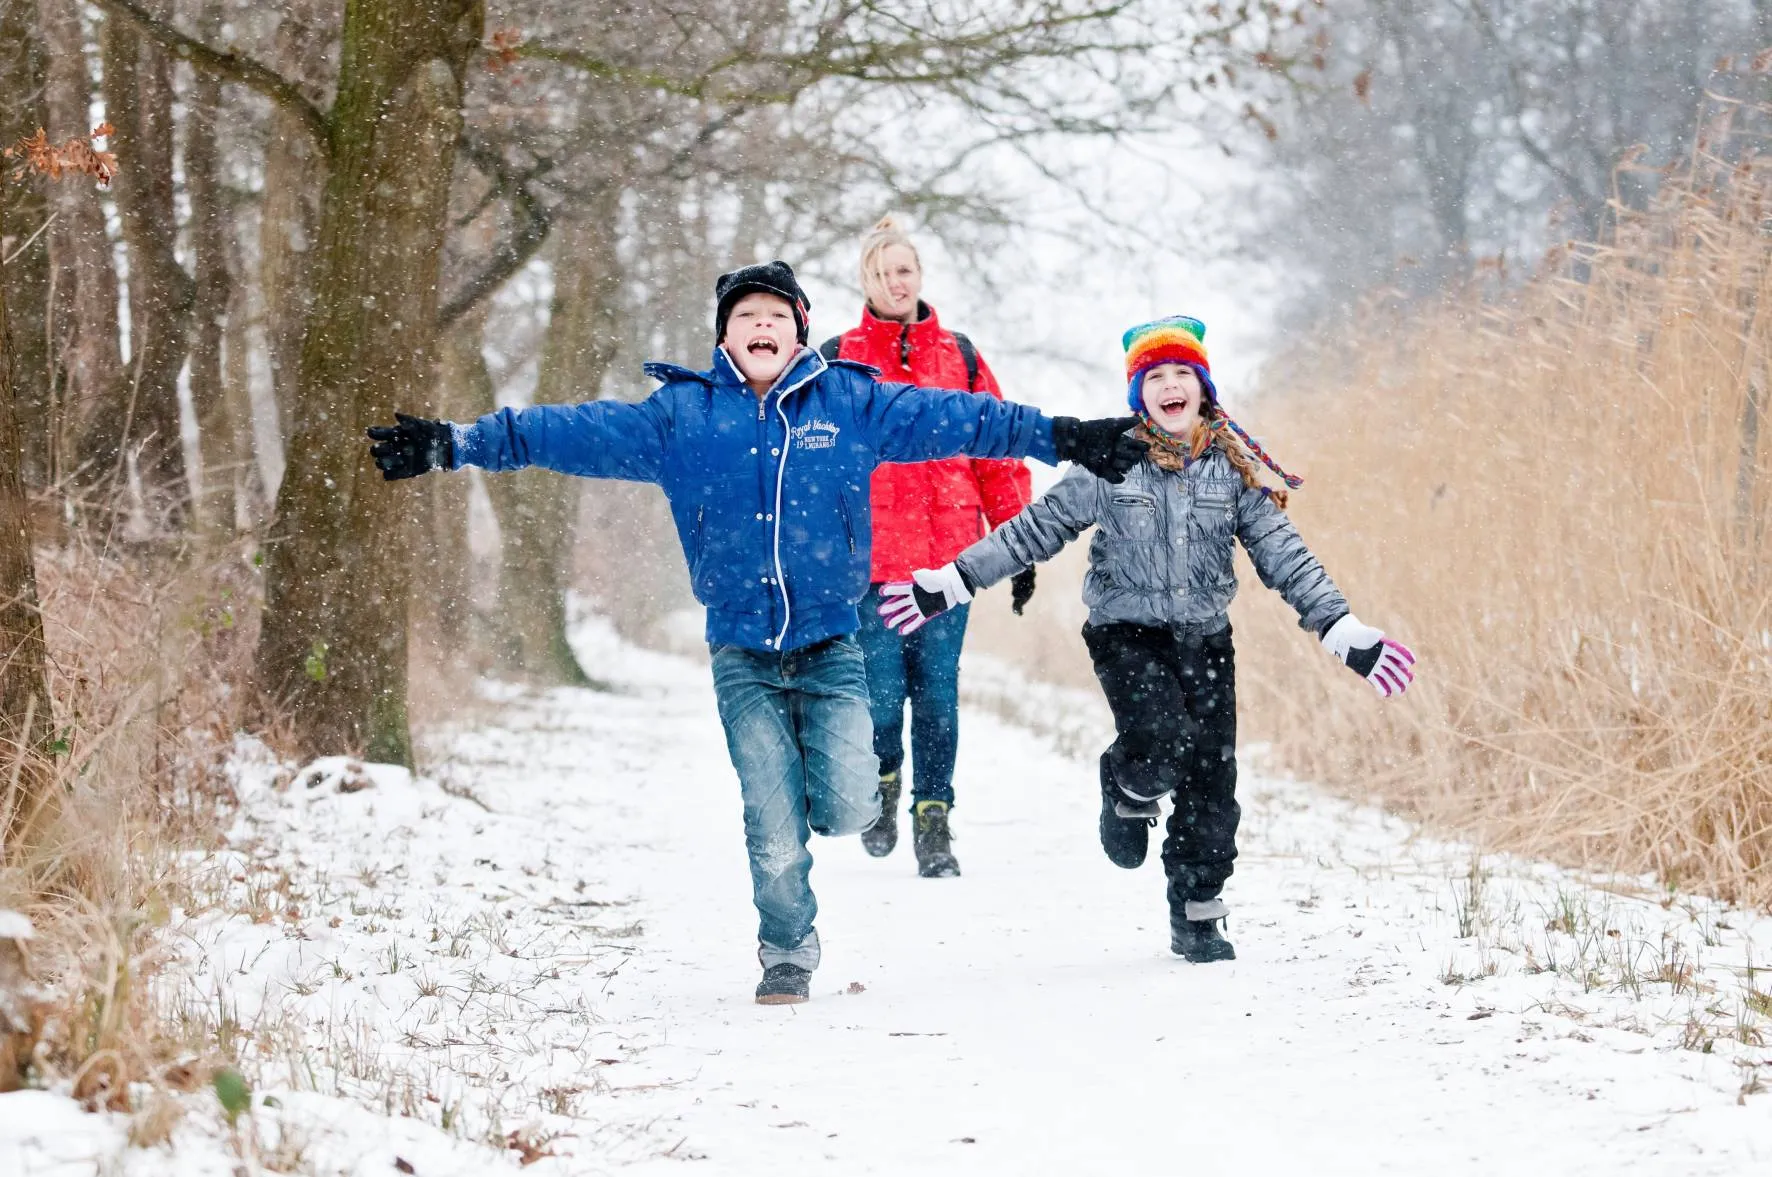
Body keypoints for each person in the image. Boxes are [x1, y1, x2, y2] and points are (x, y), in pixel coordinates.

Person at [366, 261, 1148, 1004]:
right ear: (725, 337)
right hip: (742, 653)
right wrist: (456, 442)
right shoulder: (684, 416)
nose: (762, 325)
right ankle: (786, 947)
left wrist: (1064, 435)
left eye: (778, 315)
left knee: (847, 806)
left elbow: (958, 418)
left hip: (832, 645)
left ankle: (821, 785)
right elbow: (571, 431)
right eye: (748, 317)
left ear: (801, 333)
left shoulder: (849, 404)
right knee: (770, 822)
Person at [877, 315, 1416, 963]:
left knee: (1213, 780)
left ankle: (1197, 911)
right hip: (1124, 633)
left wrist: (1339, 626)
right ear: (1139, 393)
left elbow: (1283, 553)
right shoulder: (1113, 462)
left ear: (1203, 387)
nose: (1169, 385)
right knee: (1161, 740)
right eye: (1154, 376)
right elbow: (1034, 531)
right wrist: (955, 580)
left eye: (1181, 373)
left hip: (1206, 639)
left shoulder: (1233, 469)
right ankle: (1126, 785)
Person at [819, 217, 1034, 878]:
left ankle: (934, 820)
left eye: (904, 269)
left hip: (949, 559)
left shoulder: (960, 356)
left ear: (919, 276)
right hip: (872, 564)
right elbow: (812, 464)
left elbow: (996, 449)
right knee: (880, 696)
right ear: (867, 282)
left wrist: (1017, 544)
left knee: (937, 695)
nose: (895, 281)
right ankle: (883, 785)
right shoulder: (835, 358)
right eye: (882, 272)